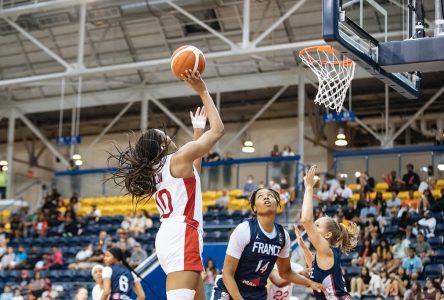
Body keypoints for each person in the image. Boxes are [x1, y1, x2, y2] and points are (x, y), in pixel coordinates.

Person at [108, 70, 224, 300]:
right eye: (164, 135)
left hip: (169, 235)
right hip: (183, 233)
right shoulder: (178, 158)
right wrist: (202, 90)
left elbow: (195, 176)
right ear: (160, 145)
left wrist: (198, 132)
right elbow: (219, 130)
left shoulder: (156, 171)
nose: (169, 137)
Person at [212, 188, 325, 300]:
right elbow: (227, 273)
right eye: (260, 196)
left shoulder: (283, 236)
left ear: (277, 204)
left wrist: (309, 283)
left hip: (257, 293)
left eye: (270, 195)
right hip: (230, 289)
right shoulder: (244, 229)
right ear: (254, 208)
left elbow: (285, 273)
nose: (266, 197)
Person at [301, 165, 359, 299]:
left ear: (327, 235)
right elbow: (316, 269)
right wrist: (302, 246)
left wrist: (309, 187)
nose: (313, 228)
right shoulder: (325, 254)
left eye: (317, 226)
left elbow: (306, 220)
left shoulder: (326, 250)